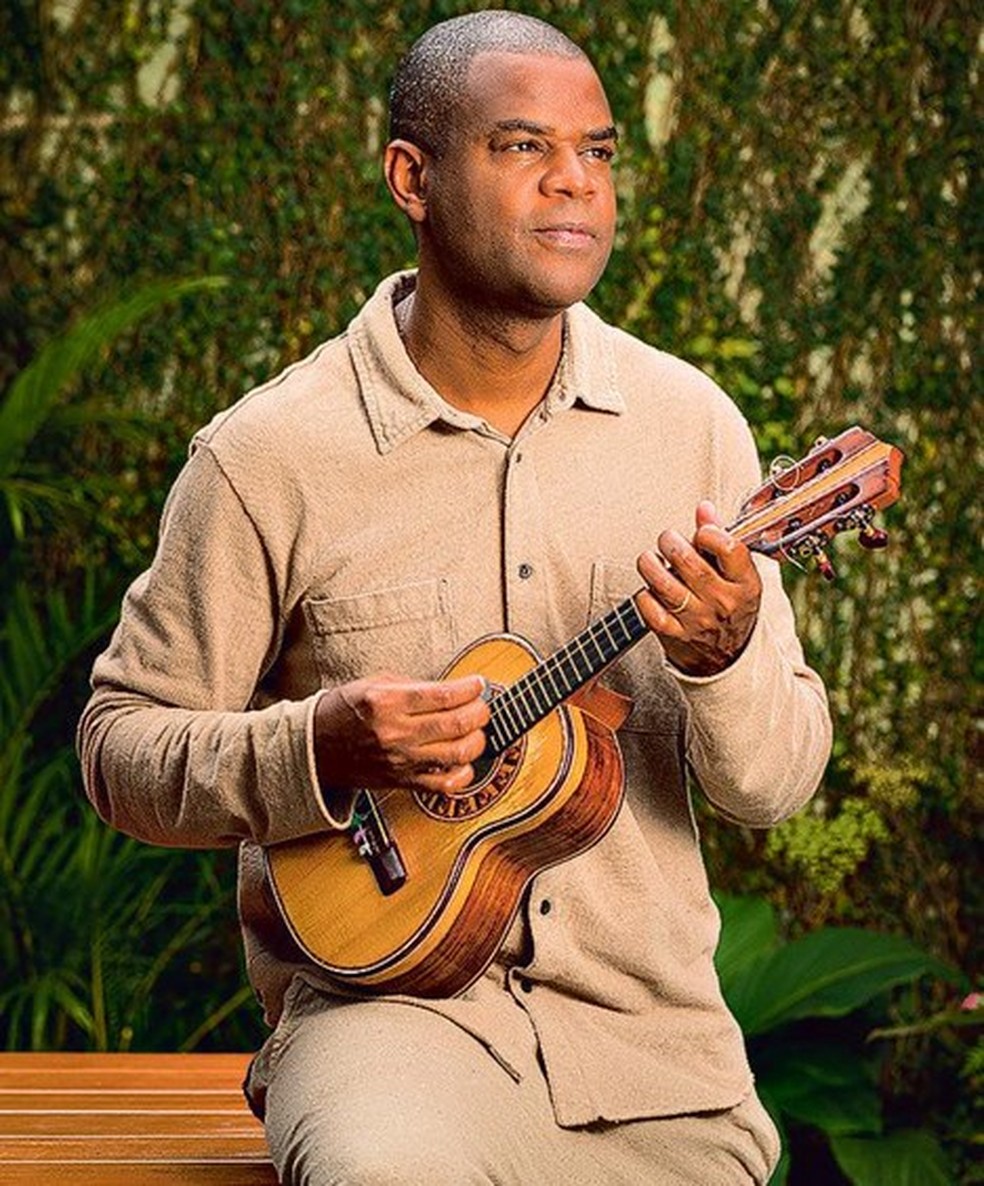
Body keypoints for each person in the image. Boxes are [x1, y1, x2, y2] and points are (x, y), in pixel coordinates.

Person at [78, 10, 832, 1184]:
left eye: (598, 150)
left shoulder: (692, 428)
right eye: (523, 146)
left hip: (657, 1066)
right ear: (411, 178)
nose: (575, 182)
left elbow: (773, 789)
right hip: (383, 1035)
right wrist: (315, 750)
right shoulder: (269, 455)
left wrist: (724, 655)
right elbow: (119, 747)